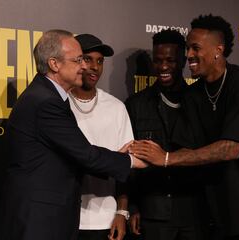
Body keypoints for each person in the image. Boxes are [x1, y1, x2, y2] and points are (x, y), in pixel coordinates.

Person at [130, 14, 239, 240]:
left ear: (218, 50)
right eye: (187, 49)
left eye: (195, 48)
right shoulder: (194, 94)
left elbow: (230, 149)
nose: (188, 55)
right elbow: (186, 149)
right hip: (237, 217)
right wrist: (138, 156)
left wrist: (165, 158)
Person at [0, 29, 145, 240]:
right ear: (54, 64)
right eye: (78, 60)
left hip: (44, 216)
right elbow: (86, 155)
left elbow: (74, 156)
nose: (84, 66)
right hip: (38, 220)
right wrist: (131, 160)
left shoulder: (48, 96)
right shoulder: (46, 102)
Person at [125, 29, 208, 240]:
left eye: (170, 60)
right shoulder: (136, 105)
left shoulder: (201, 100)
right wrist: (132, 207)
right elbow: (129, 162)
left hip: (195, 211)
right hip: (154, 212)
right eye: (158, 60)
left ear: (182, 60)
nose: (163, 67)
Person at [70, 34, 133, 240]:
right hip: (66, 217)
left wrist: (122, 212)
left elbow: (126, 166)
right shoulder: (58, 105)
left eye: (100, 61)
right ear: (76, 60)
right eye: (88, 59)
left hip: (105, 221)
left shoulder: (116, 108)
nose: (95, 67)